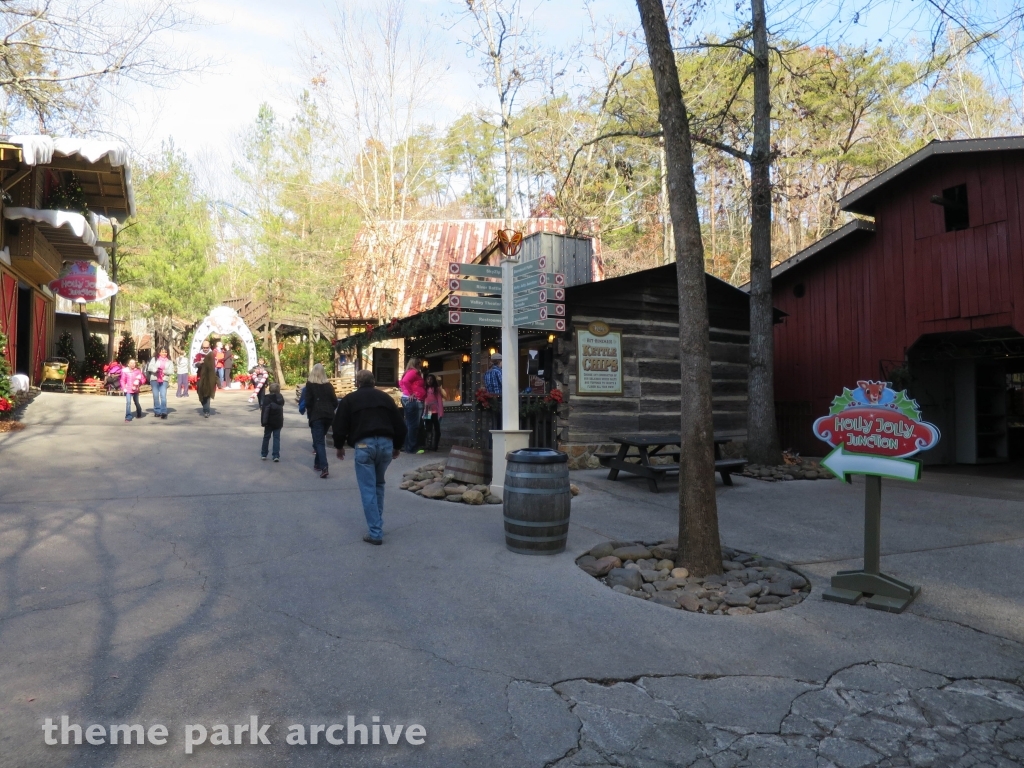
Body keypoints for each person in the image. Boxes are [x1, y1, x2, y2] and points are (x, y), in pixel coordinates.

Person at [333, 369, 407, 545]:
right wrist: (397, 446)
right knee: (378, 484)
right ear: (373, 382)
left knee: (368, 488)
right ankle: (377, 524)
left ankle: (375, 532)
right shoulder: (386, 399)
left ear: (357, 383)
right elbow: (400, 425)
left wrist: (339, 446)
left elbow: (340, 424)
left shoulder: (349, 400)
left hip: (364, 445)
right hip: (386, 445)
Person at [304, 363, 339, 478]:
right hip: (328, 416)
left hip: (316, 416)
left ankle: (324, 467)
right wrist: (329, 409)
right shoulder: (329, 385)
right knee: (320, 439)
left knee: (319, 442)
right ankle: (317, 463)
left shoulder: (310, 385)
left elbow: (308, 402)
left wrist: (311, 412)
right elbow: (335, 401)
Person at [398, 357, 426, 453]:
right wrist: (410, 393)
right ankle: (412, 448)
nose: (420, 365)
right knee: (413, 425)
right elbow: (405, 382)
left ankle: (407, 446)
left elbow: (401, 383)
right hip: (413, 400)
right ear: (415, 364)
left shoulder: (409, 372)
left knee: (409, 424)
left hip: (411, 399)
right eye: (419, 363)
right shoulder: (413, 372)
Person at [260, 381, 285, 461]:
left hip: (268, 422)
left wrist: (263, 422)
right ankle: (276, 455)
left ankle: (264, 454)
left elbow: (265, 411)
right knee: (276, 438)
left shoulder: (267, 399)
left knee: (266, 437)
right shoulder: (280, 398)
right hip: (278, 421)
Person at [148, 347, 173, 419]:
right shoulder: (154, 359)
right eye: (162, 352)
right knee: (156, 396)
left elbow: (171, 371)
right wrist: (156, 370)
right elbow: (150, 367)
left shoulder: (169, 361)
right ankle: (157, 411)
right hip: (154, 379)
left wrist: (163, 371)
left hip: (164, 380)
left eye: (165, 352)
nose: (164, 353)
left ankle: (164, 412)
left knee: (163, 396)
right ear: (159, 352)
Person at [423, 373, 444, 451]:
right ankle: (428, 445)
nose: (429, 381)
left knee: (437, 429)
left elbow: (439, 401)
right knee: (428, 429)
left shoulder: (437, 389)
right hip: (427, 410)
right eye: (428, 379)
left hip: (435, 411)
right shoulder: (424, 389)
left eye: (431, 379)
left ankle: (435, 446)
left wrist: (441, 413)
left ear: (434, 380)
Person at [484, 352, 503, 432]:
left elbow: (486, 386)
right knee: (501, 424)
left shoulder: (487, 373)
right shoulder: (499, 372)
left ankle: (492, 443)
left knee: (494, 424)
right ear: (499, 361)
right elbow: (505, 385)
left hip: (491, 400)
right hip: (501, 400)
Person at [197, 352, 218, 418]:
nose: (205, 349)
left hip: (209, 378)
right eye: (204, 347)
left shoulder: (212, 355)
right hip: (200, 377)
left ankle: (206, 411)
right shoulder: (199, 355)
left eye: (207, 347)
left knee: (207, 395)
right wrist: (200, 363)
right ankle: (205, 406)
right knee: (200, 393)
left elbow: (215, 366)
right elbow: (195, 364)